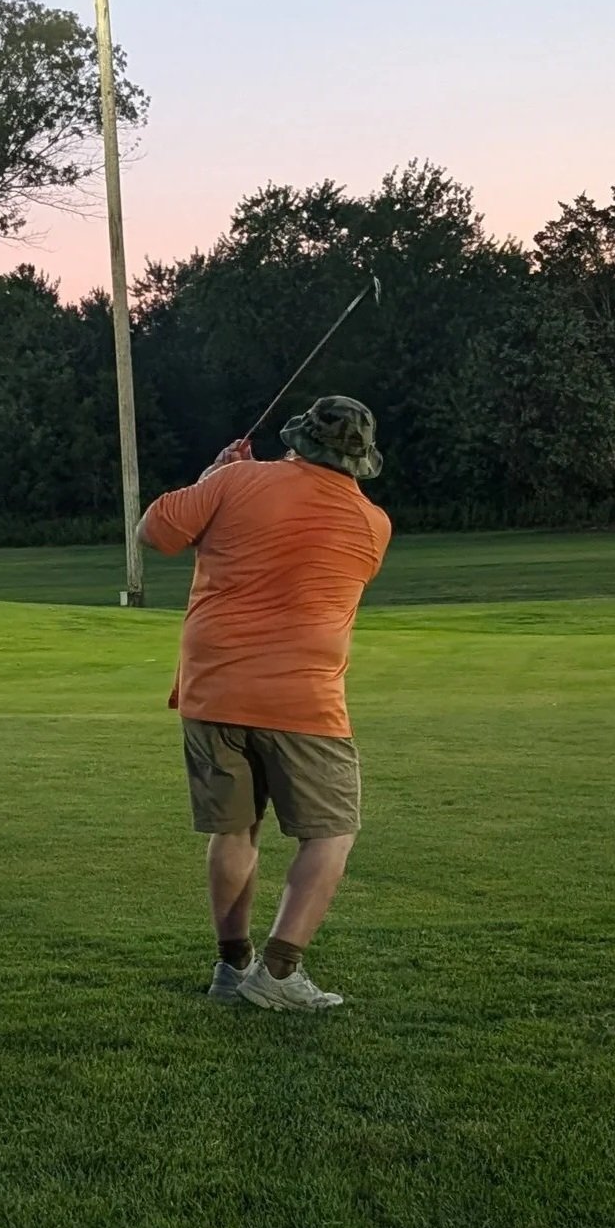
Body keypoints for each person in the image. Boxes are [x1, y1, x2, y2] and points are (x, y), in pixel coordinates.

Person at [138, 395, 392, 1012]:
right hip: (304, 696)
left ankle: (233, 967)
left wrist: (213, 478)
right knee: (332, 832)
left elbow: (156, 533)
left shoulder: (235, 479)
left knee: (235, 829)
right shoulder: (372, 525)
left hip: (214, 684)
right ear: (359, 461)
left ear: (299, 438)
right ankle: (278, 974)